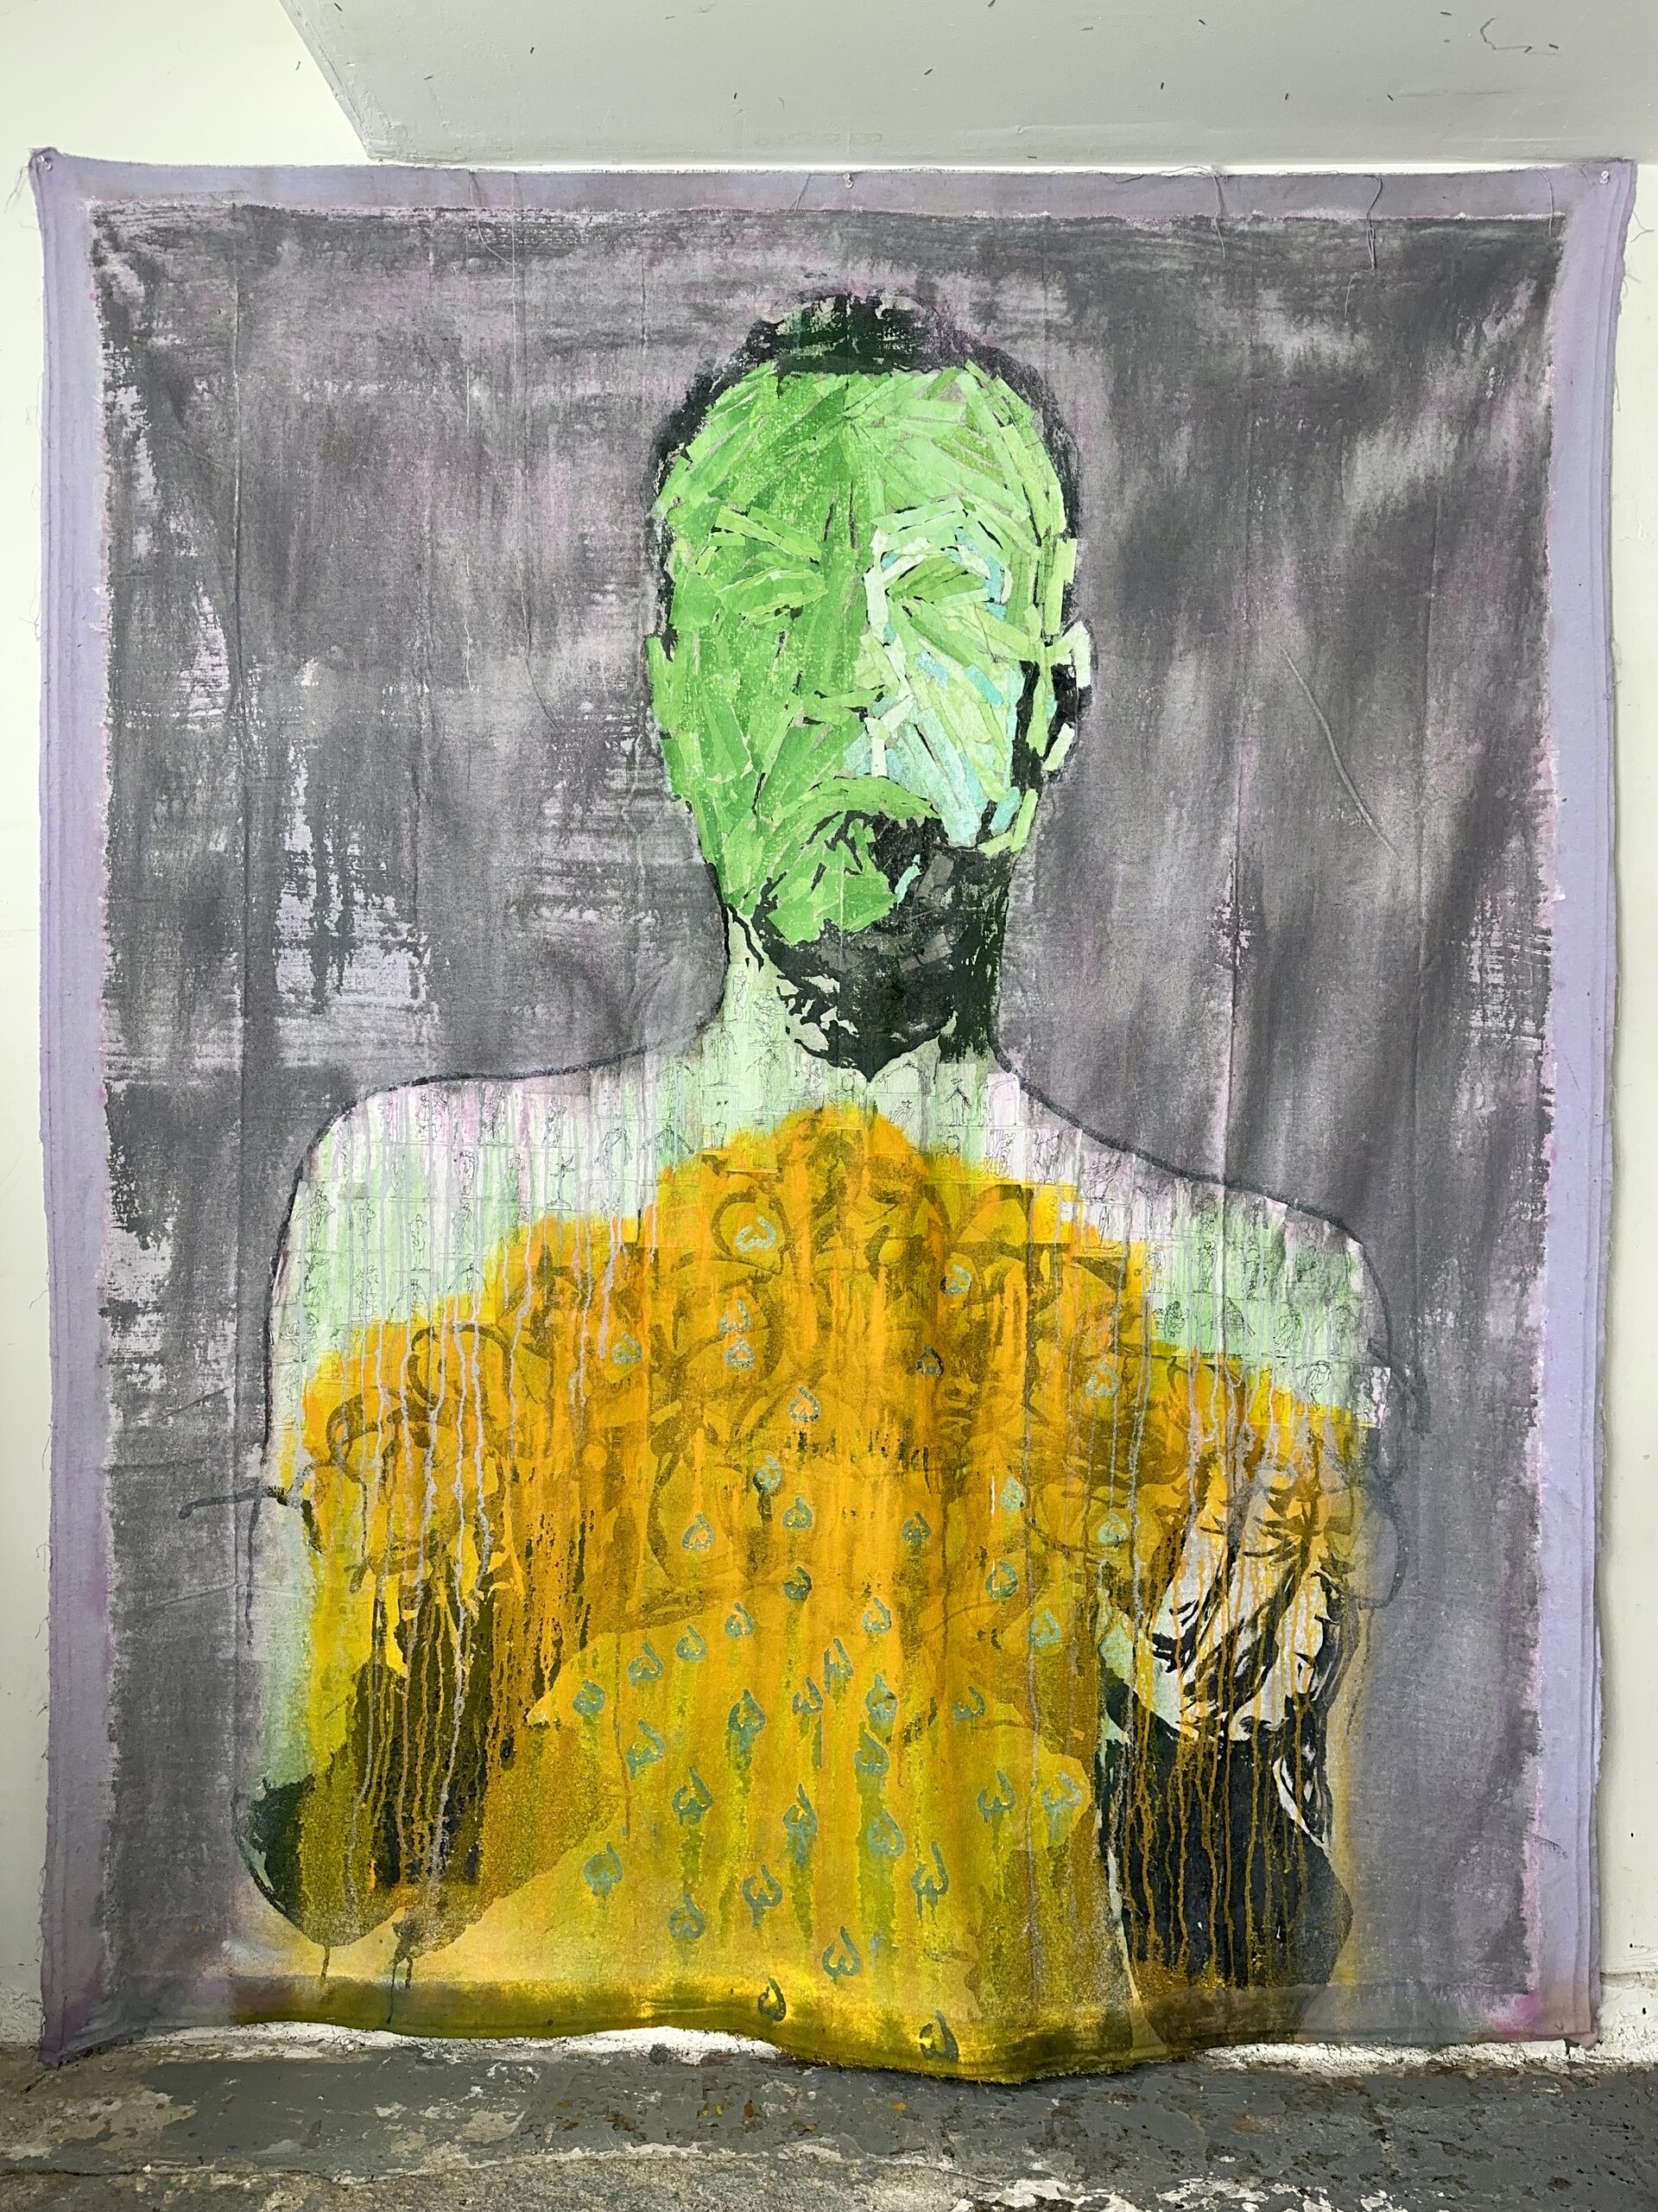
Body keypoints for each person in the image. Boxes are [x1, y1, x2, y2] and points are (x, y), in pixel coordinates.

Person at [238, 297, 1389, 2076]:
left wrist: (1201, 1766)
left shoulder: (1252, 1312)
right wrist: (429, 1704)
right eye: (775, 604)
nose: (853, 681)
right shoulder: (419, 1216)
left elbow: (1253, 1979)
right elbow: (321, 1881)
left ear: (1050, 706)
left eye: (934, 597)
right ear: (676, 698)